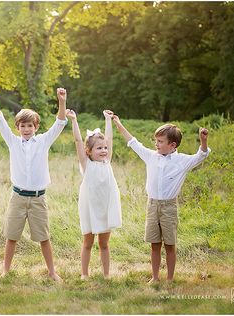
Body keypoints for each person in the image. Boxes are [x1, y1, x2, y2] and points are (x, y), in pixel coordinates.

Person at [111, 113, 210, 282]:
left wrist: (203, 141)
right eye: (156, 141)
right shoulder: (151, 156)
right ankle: (155, 278)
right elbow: (133, 142)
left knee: (170, 245)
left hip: (169, 207)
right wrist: (118, 123)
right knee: (154, 244)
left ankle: (170, 279)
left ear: (172, 145)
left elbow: (201, 155)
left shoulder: (181, 161)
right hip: (152, 205)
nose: (156, 144)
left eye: (160, 141)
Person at [0, 87, 67, 281]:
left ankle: (52, 272)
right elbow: (0, 122)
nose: (26, 129)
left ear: (36, 127)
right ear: (18, 128)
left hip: (38, 198)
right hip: (18, 197)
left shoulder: (44, 141)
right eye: (22, 126)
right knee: (11, 237)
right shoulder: (13, 142)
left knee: (44, 238)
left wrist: (61, 101)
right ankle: (5, 270)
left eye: (30, 126)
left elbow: (60, 123)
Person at [66, 109, 122, 280]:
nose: (104, 150)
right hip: (90, 208)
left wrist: (108, 119)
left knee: (104, 244)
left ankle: (106, 274)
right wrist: (74, 120)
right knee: (88, 243)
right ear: (88, 151)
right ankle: (84, 273)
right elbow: (77, 140)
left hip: (105, 208)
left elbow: (110, 139)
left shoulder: (107, 162)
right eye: (99, 148)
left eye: (105, 148)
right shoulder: (86, 165)